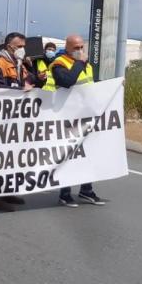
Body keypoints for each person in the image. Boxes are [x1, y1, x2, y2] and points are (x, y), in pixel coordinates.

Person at [46, 34, 108, 208]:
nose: (80, 51)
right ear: (67, 48)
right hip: (67, 118)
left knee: (88, 154)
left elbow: (90, 85)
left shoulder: (85, 65)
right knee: (68, 156)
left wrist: (114, 84)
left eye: (82, 47)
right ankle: (65, 193)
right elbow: (66, 81)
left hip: (86, 116)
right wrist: (80, 63)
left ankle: (86, 190)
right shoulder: (59, 64)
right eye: (76, 48)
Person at [0, 32, 34, 212]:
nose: (21, 50)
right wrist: (20, 89)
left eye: (23, 46)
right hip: (2, 120)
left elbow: (29, 79)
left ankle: (6, 191)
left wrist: (32, 80)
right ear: (8, 46)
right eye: (18, 46)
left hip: (15, 119)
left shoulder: (19, 64)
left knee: (10, 159)